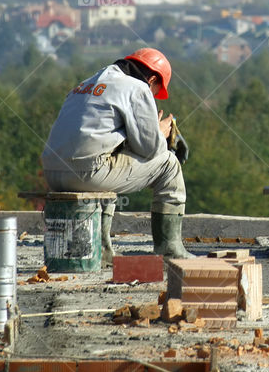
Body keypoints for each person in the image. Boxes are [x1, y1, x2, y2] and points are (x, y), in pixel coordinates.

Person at [41, 47, 194, 260]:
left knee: (111, 157)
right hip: (87, 174)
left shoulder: (87, 84)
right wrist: (160, 132)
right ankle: (170, 250)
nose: (152, 97)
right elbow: (150, 150)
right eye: (155, 92)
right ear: (151, 79)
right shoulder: (137, 88)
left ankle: (103, 251)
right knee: (169, 163)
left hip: (52, 172)